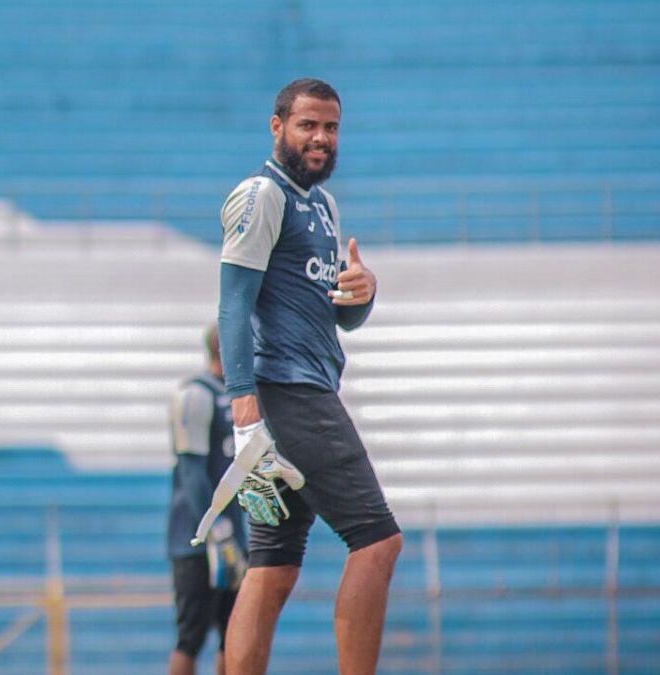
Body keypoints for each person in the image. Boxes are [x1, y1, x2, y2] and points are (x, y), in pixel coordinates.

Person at [215, 78, 403, 675]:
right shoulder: (261, 194)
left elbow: (338, 317)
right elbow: (232, 305)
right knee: (377, 542)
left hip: (301, 390)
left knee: (272, 566)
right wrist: (244, 406)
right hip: (288, 396)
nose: (321, 138)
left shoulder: (322, 205)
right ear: (277, 127)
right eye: (307, 125)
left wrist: (361, 294)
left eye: (331, 127)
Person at [167, 324, 248, 675]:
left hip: (235, 536)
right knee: (191, 637)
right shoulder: (196, 396)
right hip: (198, 541)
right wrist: (218, 532)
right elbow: (192, 473)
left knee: (234, 635)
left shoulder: (242, 395)